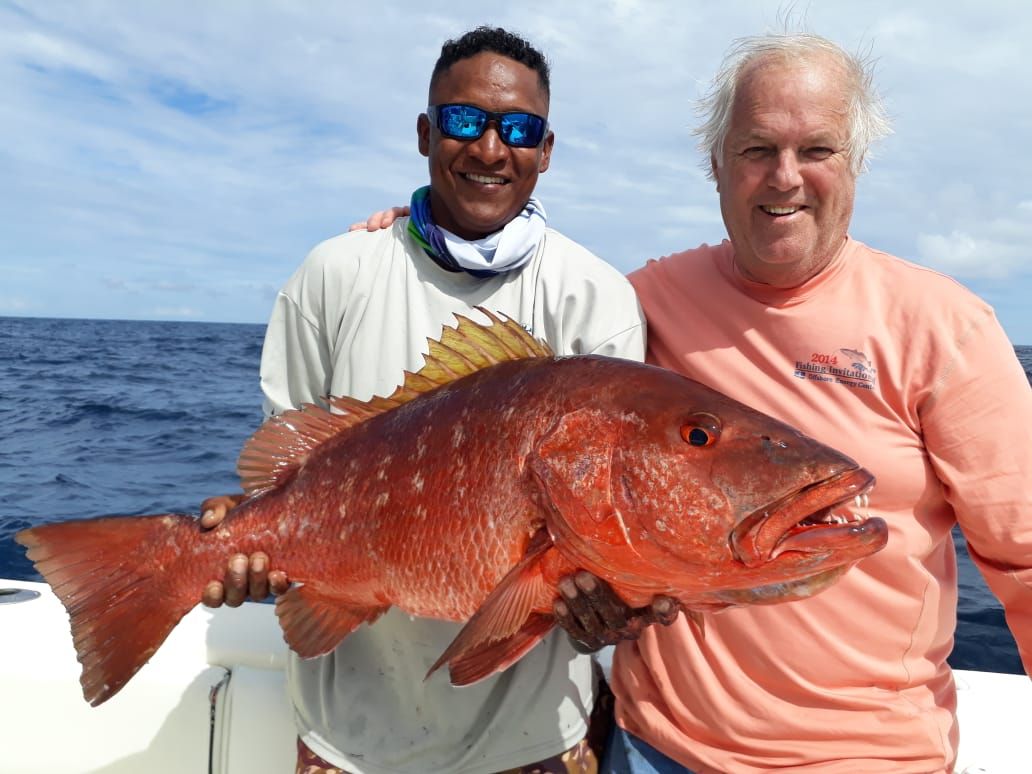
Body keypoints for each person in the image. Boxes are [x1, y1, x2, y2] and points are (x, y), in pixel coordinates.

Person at [355, 30, 1032, 774]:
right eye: (755, 150)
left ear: (856, 163)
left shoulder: (946, 327)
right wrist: (414, 233)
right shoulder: (644, 299)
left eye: (818, 151)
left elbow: (1025, 561)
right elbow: (517, 373)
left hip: (872, 756)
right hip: (653, 749)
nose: (784, 178)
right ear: (716, 166)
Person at [201, 26, 651, 774]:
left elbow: (602, 525)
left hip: (536, 742)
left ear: (546, 150)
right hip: (347, 741)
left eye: (519, 129)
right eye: (464, 121)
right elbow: (282, 473)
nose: (489, 148)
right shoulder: (335, 274)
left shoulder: (595, 295)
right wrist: (247, 544)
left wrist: (616, 601)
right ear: (425, 132)